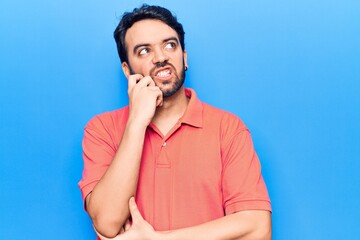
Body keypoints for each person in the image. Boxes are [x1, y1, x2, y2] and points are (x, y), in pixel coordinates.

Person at [78, 4, 272, 240]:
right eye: (144, 51)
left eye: (170, 45)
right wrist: (137, 123)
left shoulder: (228, 129)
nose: (161, 57)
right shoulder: (102, 130)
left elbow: (258, 229)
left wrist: (157, 239)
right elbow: (107, 222)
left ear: (184, 57)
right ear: (127, 71)